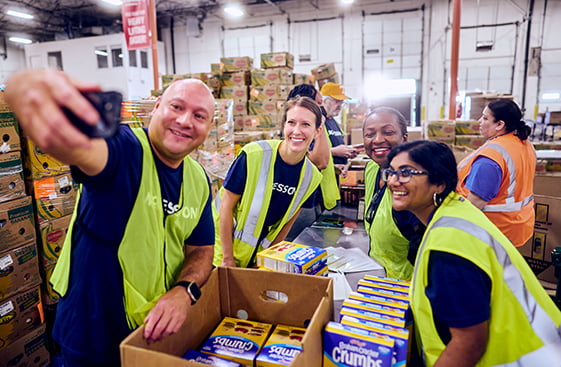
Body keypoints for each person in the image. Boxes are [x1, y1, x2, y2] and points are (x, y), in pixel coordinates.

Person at [5, 70, 216, 367]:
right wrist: (29, 92)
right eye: (176, 107)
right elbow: (83, 148)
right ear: (156, 108)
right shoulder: (125, 148)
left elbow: (201, 250)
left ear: (209, 127)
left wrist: (184, 291)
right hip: (91, 339)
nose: (184, 121)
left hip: (149, 335)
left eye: (199, 115)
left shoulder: (198, 179)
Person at [384, 140, 561, 366]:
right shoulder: (456, 209)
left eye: (406, 172)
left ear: (439, 182)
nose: (393, 181)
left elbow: (469, 343)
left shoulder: (448, 245)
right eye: (390, 172)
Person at [213, 96, 323, 268]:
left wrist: (268, 261)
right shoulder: (253, 155)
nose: (297, 130)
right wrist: (227, 258)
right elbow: (225, 207)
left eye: (306, 124)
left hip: (257, 260)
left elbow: (285, 226)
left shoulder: (312, 177)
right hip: (222, 253)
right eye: (291, 122)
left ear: (317, 130)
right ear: (284, 126)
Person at [457, 99, 535, 247]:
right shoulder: (523, 144)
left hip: (494, 230)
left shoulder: (490, 159)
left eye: (485, 118)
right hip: (518, 224)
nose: (479, 121)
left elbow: (475, 203)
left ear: (500, 124)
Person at [362, 107, 424, 280]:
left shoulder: (412, 186)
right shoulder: (372, 169)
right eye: (369, 134)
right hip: (377, 281)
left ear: (404, 138)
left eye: (388, 132)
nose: (378, 140)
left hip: (406, 290)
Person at [283, 84, 339, 241]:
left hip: (317, 198)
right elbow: (320, 162)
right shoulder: (303, 132)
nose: (321, 108)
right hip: (303, 204)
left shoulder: (317, 129)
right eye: (318, 103)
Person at [320, 82, 360, 175]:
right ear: (325, 101)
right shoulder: (316, 121)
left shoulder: (334, 122)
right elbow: (308, 151)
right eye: (336, 101)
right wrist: (334, 152)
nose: (340, 105)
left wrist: (348, 153)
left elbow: (339, 145)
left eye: (341, 102)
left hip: (335, 175)